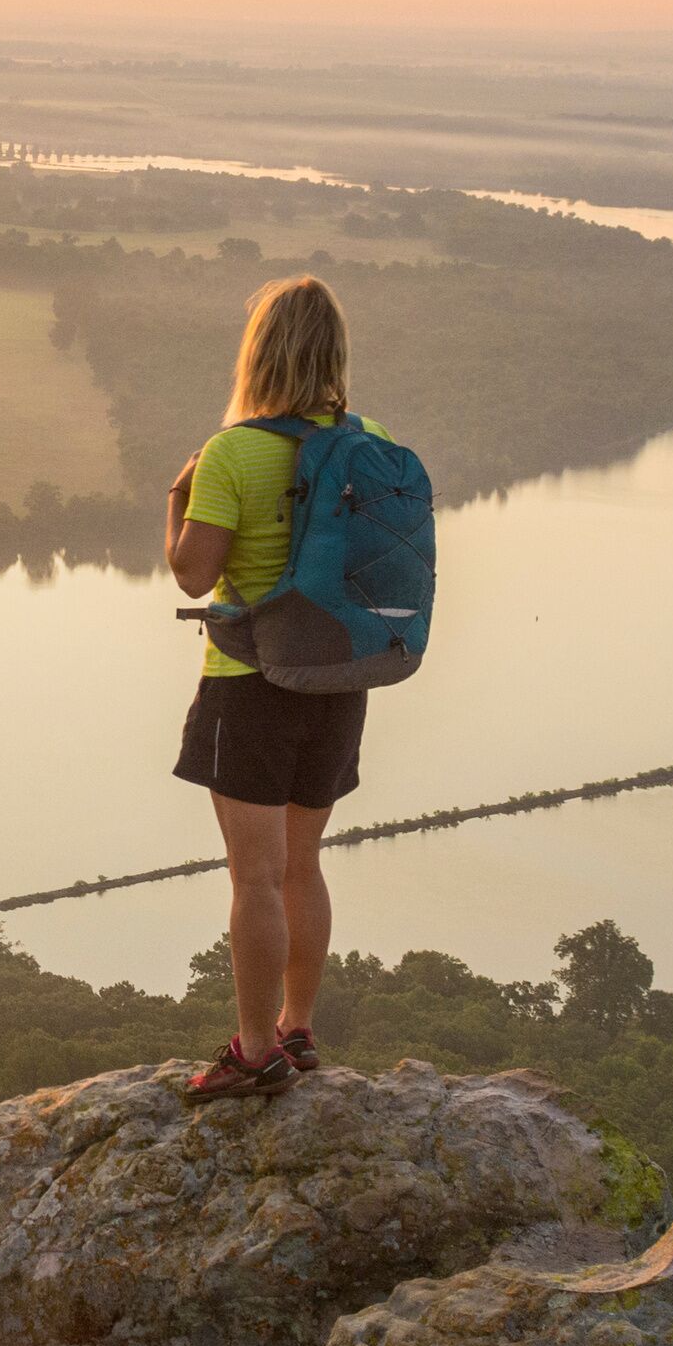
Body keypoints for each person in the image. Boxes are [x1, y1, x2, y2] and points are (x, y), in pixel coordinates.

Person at [162, 274, 385, 1101]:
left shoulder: (233, 453)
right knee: (303, 865)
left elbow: (193, 574)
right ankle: (297, 1027)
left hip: (250, 683)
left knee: (254, 877)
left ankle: (253, 1052)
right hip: (337, 679)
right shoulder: (372, 444)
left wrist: (177, 498)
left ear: (259, 352)